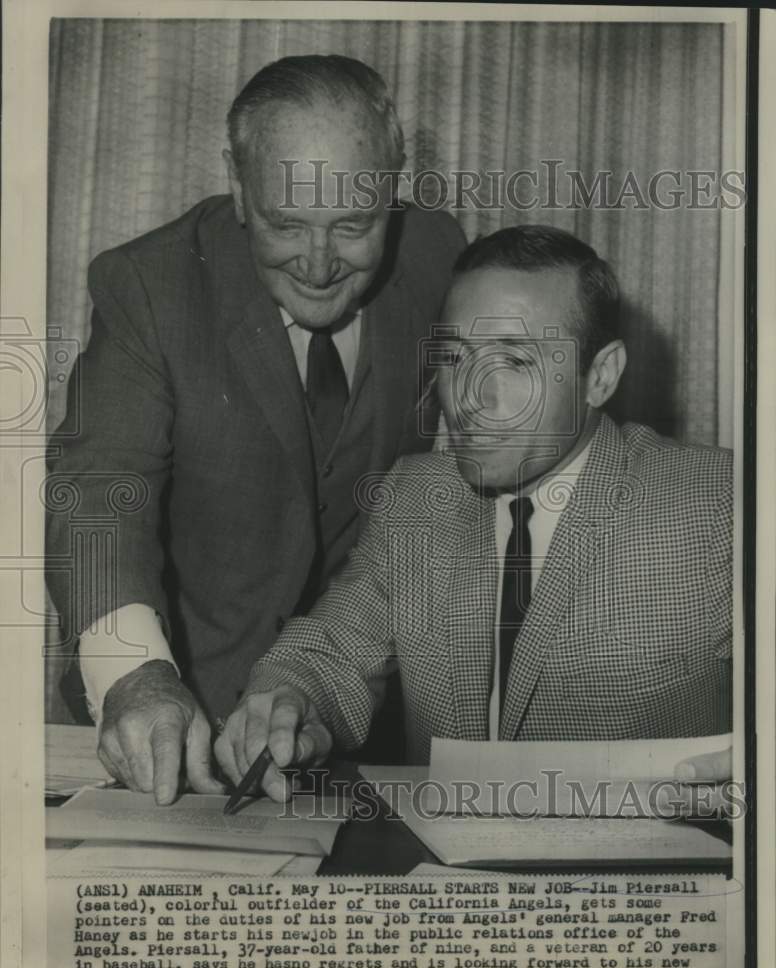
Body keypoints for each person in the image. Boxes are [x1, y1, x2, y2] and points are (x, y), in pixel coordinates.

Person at [45, 54, 466, 803]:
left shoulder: (439, 259)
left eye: (352, 225)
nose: (317, 263)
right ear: (238, 187)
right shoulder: (152, 284)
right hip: (169, 727)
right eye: (285, 223)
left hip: (349, 726)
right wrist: (136, 676)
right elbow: (101, 490)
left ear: (394, 187)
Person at [213, 224, 733, 802]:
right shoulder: (417, 499)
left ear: (601, 375)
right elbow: (332, 651)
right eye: (455, 357)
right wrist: (288, 700)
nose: (467, 397)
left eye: (513, 360)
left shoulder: (718, 501)